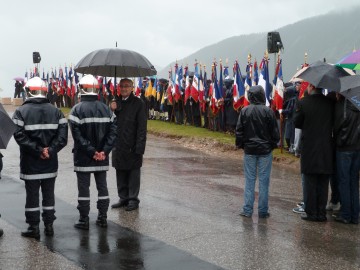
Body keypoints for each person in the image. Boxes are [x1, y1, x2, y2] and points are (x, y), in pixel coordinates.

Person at [12, 77, 68, 239]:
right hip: (50, 161)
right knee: (49, 194)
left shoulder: (21, 111)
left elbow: (19, 136)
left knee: (32, 195)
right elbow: (62, 137)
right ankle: (49, 226)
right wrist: (49, 150)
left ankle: (33, 227)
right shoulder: (56, 111)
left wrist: (38, 150)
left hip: (31, 162)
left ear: (28, 91)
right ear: (45, 91)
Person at [68, 75, 117, 230]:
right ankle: (103, 218)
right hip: (101, 157)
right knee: (102, 187)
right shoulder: (107, 109)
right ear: (97, 89)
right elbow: (113, 133)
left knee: (84, 189)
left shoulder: (76, 110)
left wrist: (91, 152)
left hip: (83, 157)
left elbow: (77, 137)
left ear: (81, 89)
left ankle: (84, 219)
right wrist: (103, 152)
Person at [235, 85, 280, 218]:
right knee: (264, 181)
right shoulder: (268, 111)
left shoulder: (245, 111)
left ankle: (247, 210)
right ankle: (263, 211)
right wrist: (271, 145)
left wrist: (242, 145)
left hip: (250, 150)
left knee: (250, 180)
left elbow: (239, 132)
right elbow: (275, 134)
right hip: (265, 150)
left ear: (251, 96)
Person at [294, 83, 334, 222]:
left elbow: (296, 122)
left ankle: (311, 212)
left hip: (310, 146)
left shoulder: (303, 102)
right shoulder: (330, 103)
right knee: (323, 182)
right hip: (326, 147)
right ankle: (321, 213)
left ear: (311, 86)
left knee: (310, 181)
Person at [110, 78, 147, 211]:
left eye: (127, 86)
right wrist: (112, 109)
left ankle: (133, 199)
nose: (124, 88)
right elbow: (109, 122)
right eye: (122, 86)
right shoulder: (115, 102)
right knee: (120, 171)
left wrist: (140, 147)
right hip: (118, 144)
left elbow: (142, 127)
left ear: (132, 87)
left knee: (133, 173)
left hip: (132, 144)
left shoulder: (138, 103)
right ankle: (123, 197)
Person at [332, 94, 360, 224]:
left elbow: (337, 127)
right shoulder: (357, 104)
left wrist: (337, 140)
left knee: (344, 181)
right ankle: (355, 215)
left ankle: (346, 214)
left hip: (344, 147)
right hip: (357, 147)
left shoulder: (340, 106)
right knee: (354, 181)